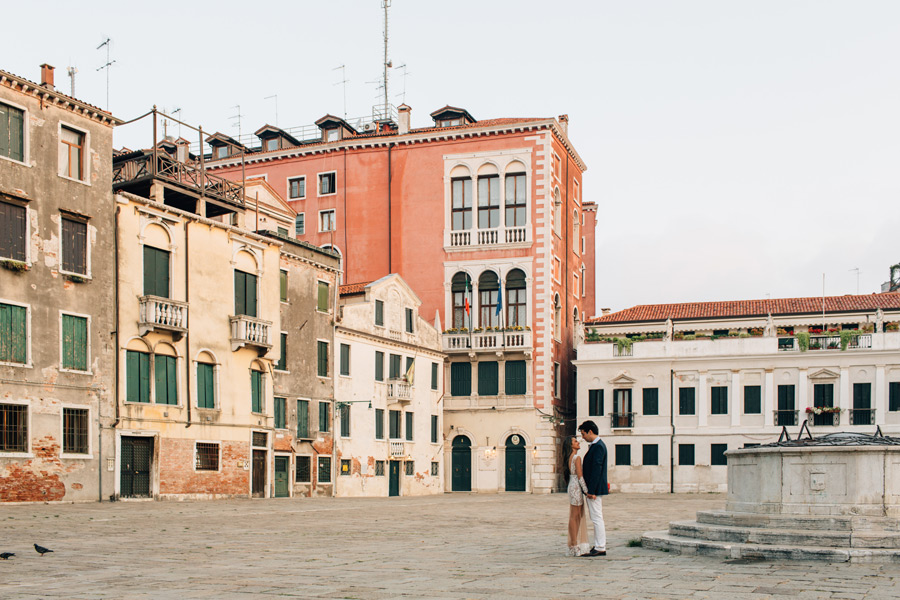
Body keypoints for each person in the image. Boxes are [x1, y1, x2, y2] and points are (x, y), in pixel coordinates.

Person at [578, 420, 608, 557]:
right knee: (596, 517)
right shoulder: (596, 446)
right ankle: (598, 545)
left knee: (597, 518)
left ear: (590, 431)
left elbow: (597, 469)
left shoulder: (598, 447)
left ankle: (600, 546)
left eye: (583, 434)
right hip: (593, 489)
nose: (582, 437)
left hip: (594, 490)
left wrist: (591, 490)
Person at [562, 436, 591, 556]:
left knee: (575, 516)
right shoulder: (577, 458)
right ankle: (574, 544)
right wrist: (586, 491)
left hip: (571, 485)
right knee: (575, 516)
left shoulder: (568, 458)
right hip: (576, 487)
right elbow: (580, 476)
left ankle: (574, 544)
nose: (578, 442)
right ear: (571, 445)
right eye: (575, 441)